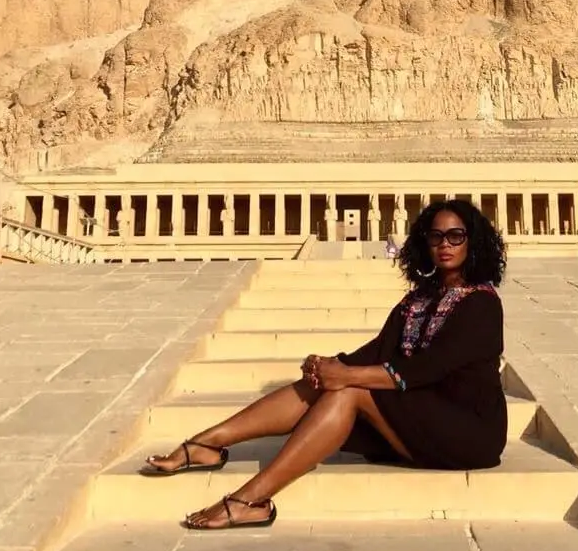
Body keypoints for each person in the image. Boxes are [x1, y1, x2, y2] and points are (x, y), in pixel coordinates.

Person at [142, 199, 508, 530]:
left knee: (348, 390)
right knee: (329, 383)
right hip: (421, 416)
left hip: (467, 431)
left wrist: (345, 375)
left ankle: (250, 498)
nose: (444, 244)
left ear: (472, 241)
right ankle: (207, 443)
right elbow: (380, 350)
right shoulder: (419, 299)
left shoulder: (482, 304)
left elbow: (427, 369)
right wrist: (329, 366)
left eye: (456, 236)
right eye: (436, 236)